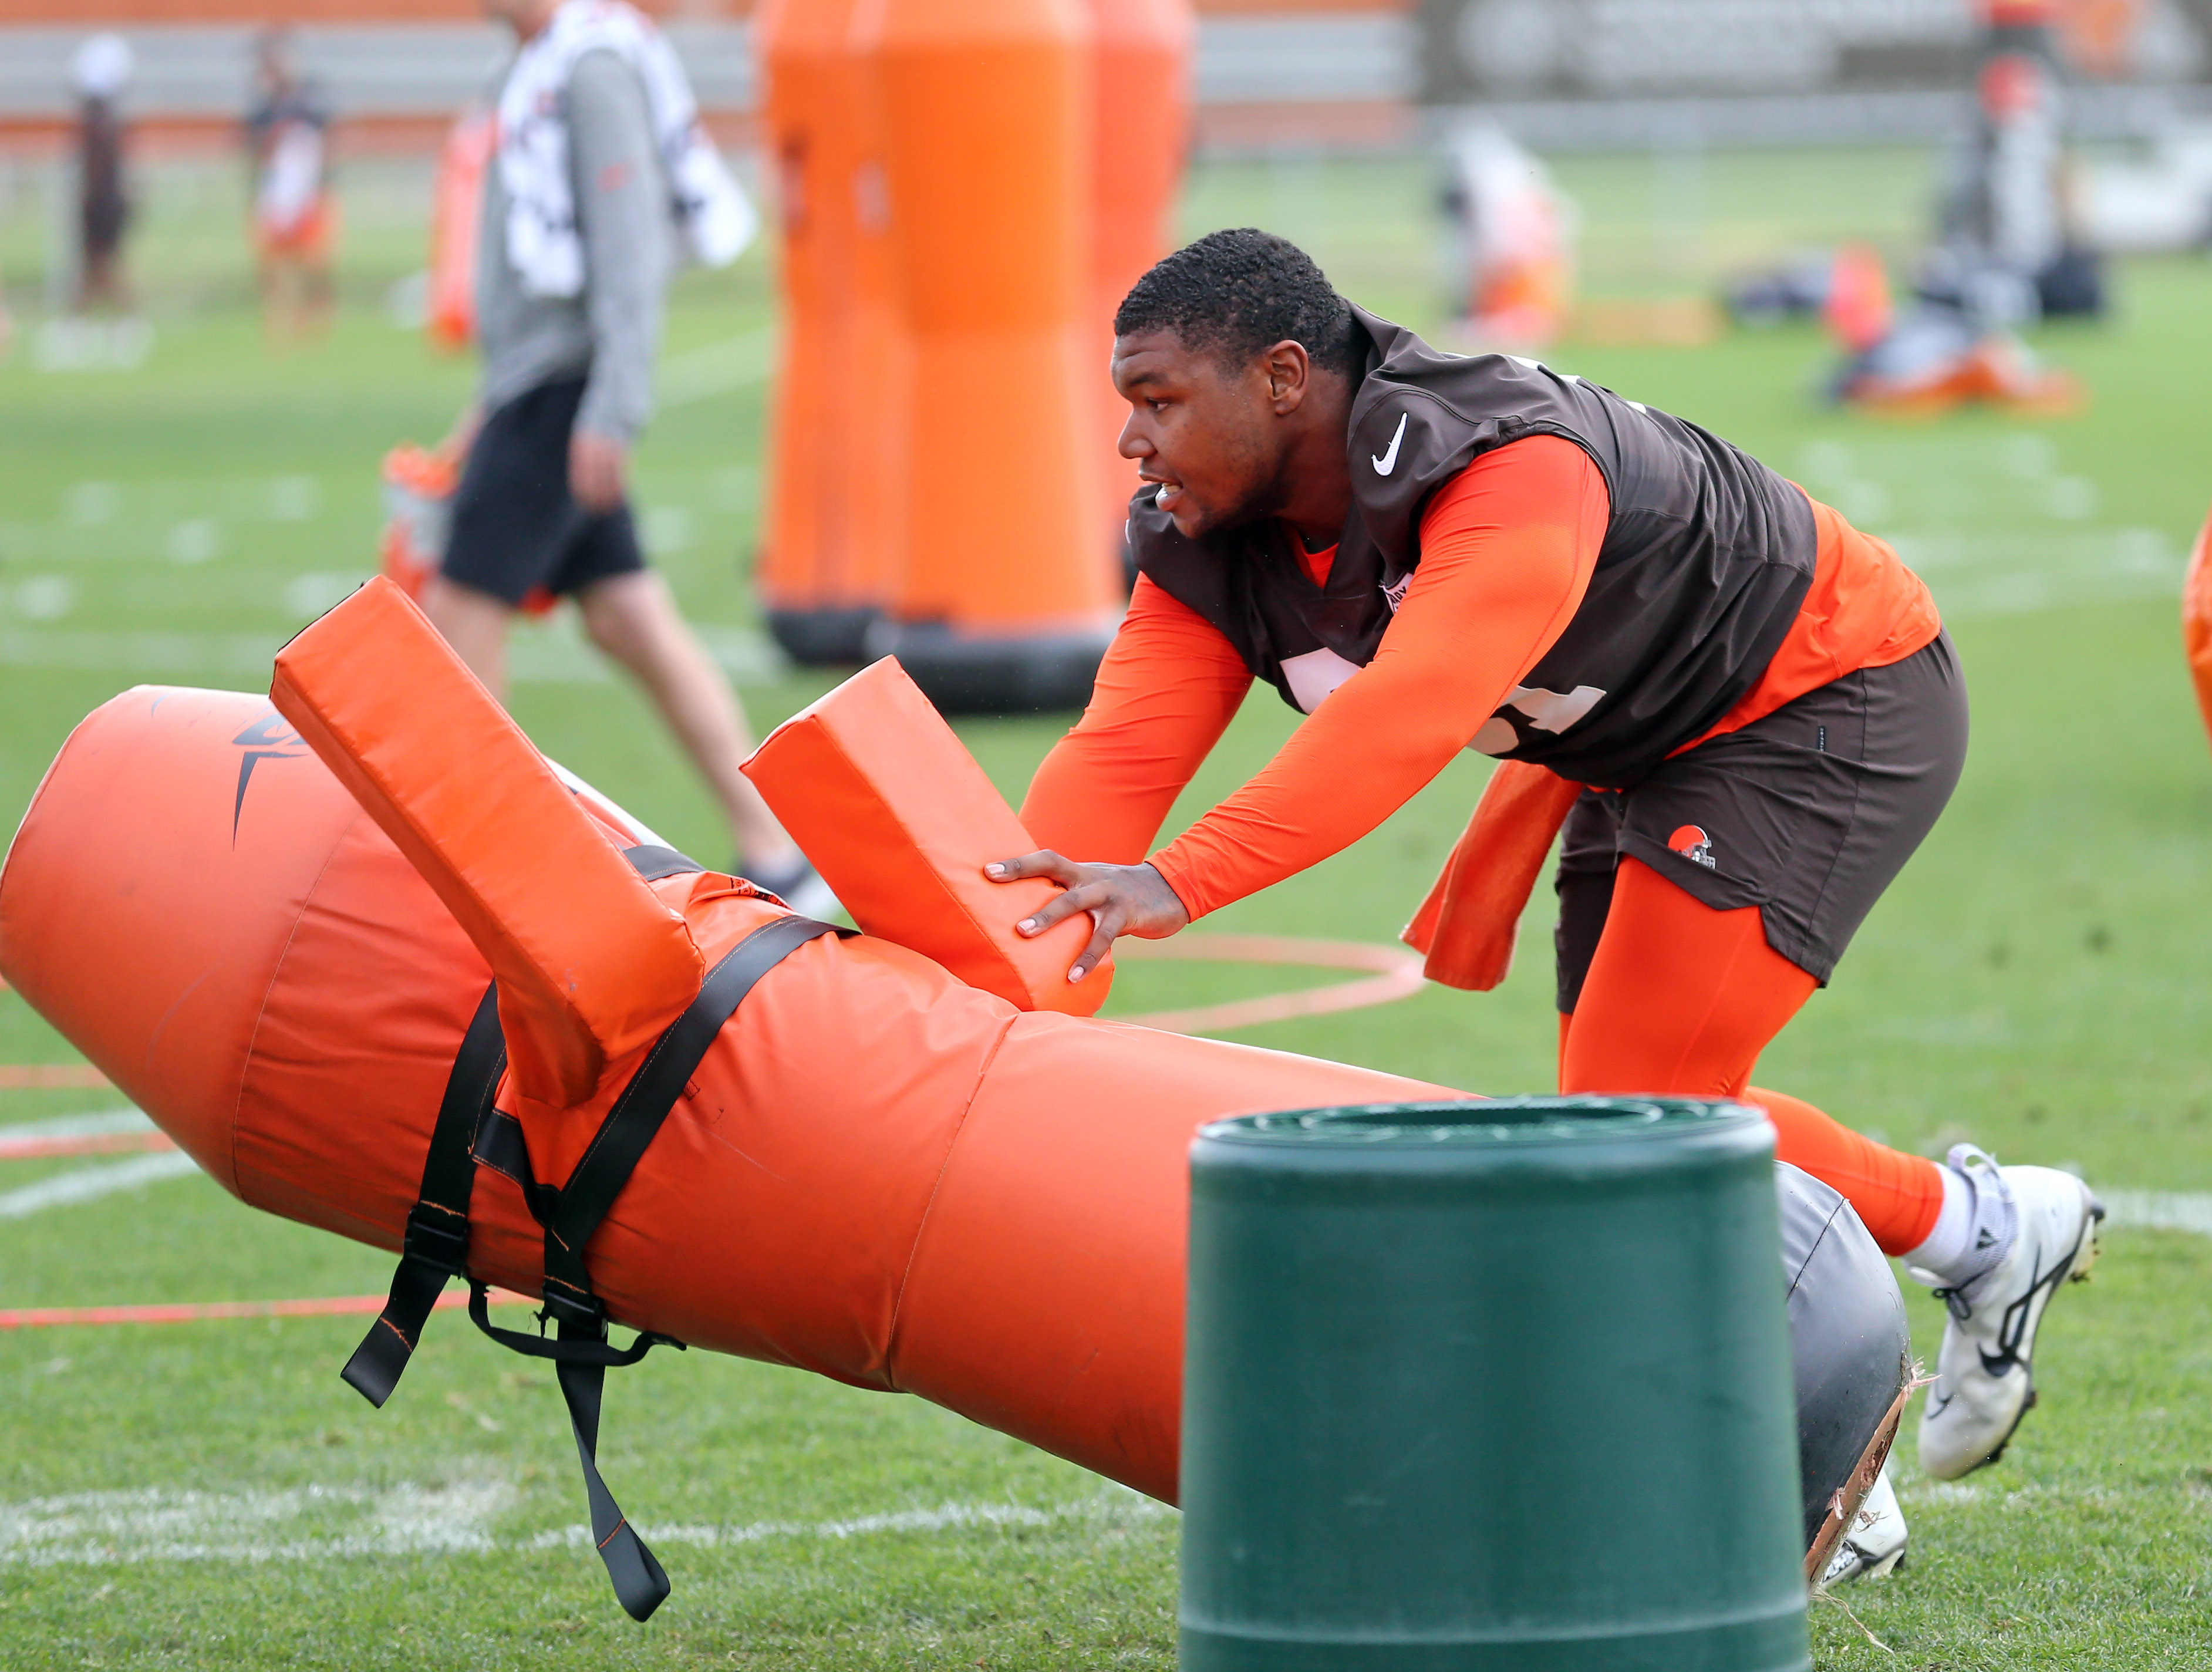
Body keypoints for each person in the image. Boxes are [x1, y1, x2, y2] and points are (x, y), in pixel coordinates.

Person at [988, 228, 2101, 1488]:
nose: (1132, 443)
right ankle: (1983, 1232)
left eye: (1159, 402)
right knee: (1632, 1125)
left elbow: (1398, 721)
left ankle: (1848, 1419)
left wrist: (1180, 880)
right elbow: (1116, 761)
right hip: (1633, 735)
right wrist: (995, 946)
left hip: (1816, 689)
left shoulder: (1501, 463)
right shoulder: (1212, 536)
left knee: (1640, 1116)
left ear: (1285, 378)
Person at [427, 0, 825, 912]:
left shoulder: (591, 64)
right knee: (628, 621)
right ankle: (775, 846)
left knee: (454, 630)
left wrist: (612, 407)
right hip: (537, 391)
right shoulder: (535, 66)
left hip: (564, 395)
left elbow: (629, 245)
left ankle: (495, 877)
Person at [244, 28, 338, 346]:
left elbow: (323, 139)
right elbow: (252, 148)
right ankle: (282, 320)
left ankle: (317, 321)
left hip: (308, 194)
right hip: (274, 195)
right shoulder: (263, 107)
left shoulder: (307, 100)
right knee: (275, 264)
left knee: (312, 262)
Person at [71, 33, 133, 315]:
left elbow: (98, 166)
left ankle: (120, 317)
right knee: (100, 265)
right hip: (107, 200)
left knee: (101, 264)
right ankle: (91, 319)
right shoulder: (105, 119)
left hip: (102, 202)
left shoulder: (99, 122)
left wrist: (90, 196)